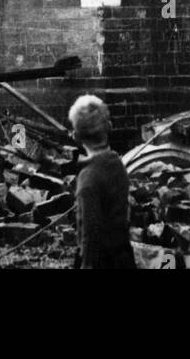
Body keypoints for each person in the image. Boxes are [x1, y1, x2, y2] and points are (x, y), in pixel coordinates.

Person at [68, 94, 136, 269]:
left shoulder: (88, 178)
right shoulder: (116, 163)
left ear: (75, 136)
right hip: (123, 256)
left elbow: (91, 235)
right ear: (110, 127)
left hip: (102, 262)